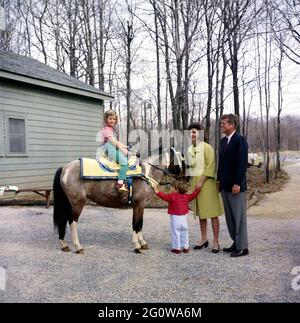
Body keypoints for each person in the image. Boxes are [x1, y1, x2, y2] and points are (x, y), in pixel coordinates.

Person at [187, 123, 224, 253]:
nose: (191, 134)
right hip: (195, 183)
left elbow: (211, 166)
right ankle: (204, 239)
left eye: (194, 132)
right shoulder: (190, 149)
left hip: (206, 184)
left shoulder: (207, 148)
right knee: (201, 213)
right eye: (190, 132)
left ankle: (216, 241)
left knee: (212, 213)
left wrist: (201, 181)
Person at [217, 114, 249, 257]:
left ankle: (243, 247)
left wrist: (237, 183)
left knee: (239, 217)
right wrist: (218, 180)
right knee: (230, 217)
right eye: (221, 123)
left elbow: (242, 164)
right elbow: (221, 163)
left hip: (235, 186)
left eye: (224, 123)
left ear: (232, 125)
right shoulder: (224, 141)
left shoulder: (239, 140)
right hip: (224, 185)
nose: (221, 125)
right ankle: (236, 243)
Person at [154, 180, 201, 254]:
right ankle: (186, 248)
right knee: (184, 233)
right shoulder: (186, 196)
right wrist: (197, 190)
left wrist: (157, 191)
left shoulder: (171, 196)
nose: (170, 189)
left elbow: (164, 196)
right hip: (184, 218)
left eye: (172, 188)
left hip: (175, 218)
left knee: (176, 233)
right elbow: (193, 195)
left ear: (176, 189)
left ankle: (177, 248)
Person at [99, 109, 129, 191]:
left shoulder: (109, 129)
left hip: (110, 147)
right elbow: (113, 142)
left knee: (125, 159)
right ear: (106, 119)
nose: (112, 120)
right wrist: (123, 150)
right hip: (109, 148)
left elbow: (116, 141)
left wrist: (124, 146)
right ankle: (120, 183)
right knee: (125, 164)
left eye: (114, 119)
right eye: (110, 118)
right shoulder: (107, 130)